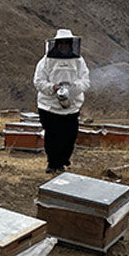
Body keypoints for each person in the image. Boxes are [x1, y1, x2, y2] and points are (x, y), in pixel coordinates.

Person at [33, 29, 90, 173]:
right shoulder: (46, 61)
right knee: (52, 135)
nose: (63, 46)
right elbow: (38, 81)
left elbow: (85, 81)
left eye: (66, 43)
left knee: (69, 136)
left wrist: (73, 89)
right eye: (61, 43)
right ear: (56, 45)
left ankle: (63, 161)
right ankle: (52, 164)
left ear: (71, 45)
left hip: (71, 106)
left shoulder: (78, 61)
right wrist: (52, 88)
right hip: (49, 106)